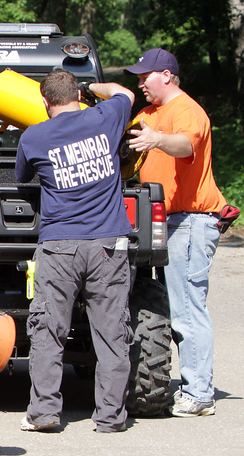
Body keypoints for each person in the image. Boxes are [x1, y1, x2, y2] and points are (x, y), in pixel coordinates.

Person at [15, 70, 135, 433]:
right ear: (78, 96)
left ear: (45, 102)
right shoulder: (106, 117)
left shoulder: (35, 135)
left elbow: (22, 177)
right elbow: (124, 92)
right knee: (112, 333)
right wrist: (92, 88)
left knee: (49, 329)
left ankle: (45, 413)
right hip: (108, 246)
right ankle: (111, 418)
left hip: (59, 246)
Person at [127, 48, 227, 418]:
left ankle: (199, 393)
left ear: (166, 76)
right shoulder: (150, 113)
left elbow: (187, 144)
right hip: (162, 220)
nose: (140, 84)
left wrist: (156, 140)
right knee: (176, 305)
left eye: (144, 77)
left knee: (187, 309)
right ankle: (193, 387)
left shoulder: (187, 111)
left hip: (190, 221)